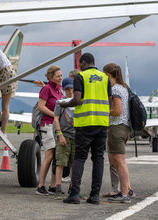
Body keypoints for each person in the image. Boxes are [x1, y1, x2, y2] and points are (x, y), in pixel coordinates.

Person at [61, 53, 111, 204]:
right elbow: (108, 99)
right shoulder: (105, 78)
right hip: (102, 123)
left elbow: (76, 100)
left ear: (83, 63)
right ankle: (94, 195)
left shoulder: (80, 77)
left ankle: (74, 194)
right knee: (98, 159)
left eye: (80, 64)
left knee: (80, 158)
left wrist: (64, 104)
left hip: (85, 123)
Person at [102, 63, 134, 203]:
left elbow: (117, 110)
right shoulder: (124, 87)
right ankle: (127, 188)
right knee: (116, 160)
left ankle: (125, 193)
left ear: (108, 75)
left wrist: (105, 113)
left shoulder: (115, 89)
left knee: (120, 162)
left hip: (117, 127)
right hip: (125, 127)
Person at [36, 65, 63, 196]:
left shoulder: (60, 90)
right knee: (49, 155)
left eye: (61, 76)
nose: (60, 78)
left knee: (57, 156)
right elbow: (41, 106)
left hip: (56, 125)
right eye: (58, 76)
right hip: (47, 125)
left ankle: (53, 185)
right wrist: (54, 115)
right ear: (51, 77)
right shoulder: (47, 89)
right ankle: (41, 185)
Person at [53, 77, 76, 199]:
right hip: (64, 135)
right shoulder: (60, 102)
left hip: (75, 135)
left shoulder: (78, 101)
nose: (70, 91)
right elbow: (56, 118)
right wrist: (60, 134)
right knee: (61, 162)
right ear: (63, 89)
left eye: (72, 88)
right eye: (67, 89)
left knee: (73, 163)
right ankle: (58, 187)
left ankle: (73, 187)